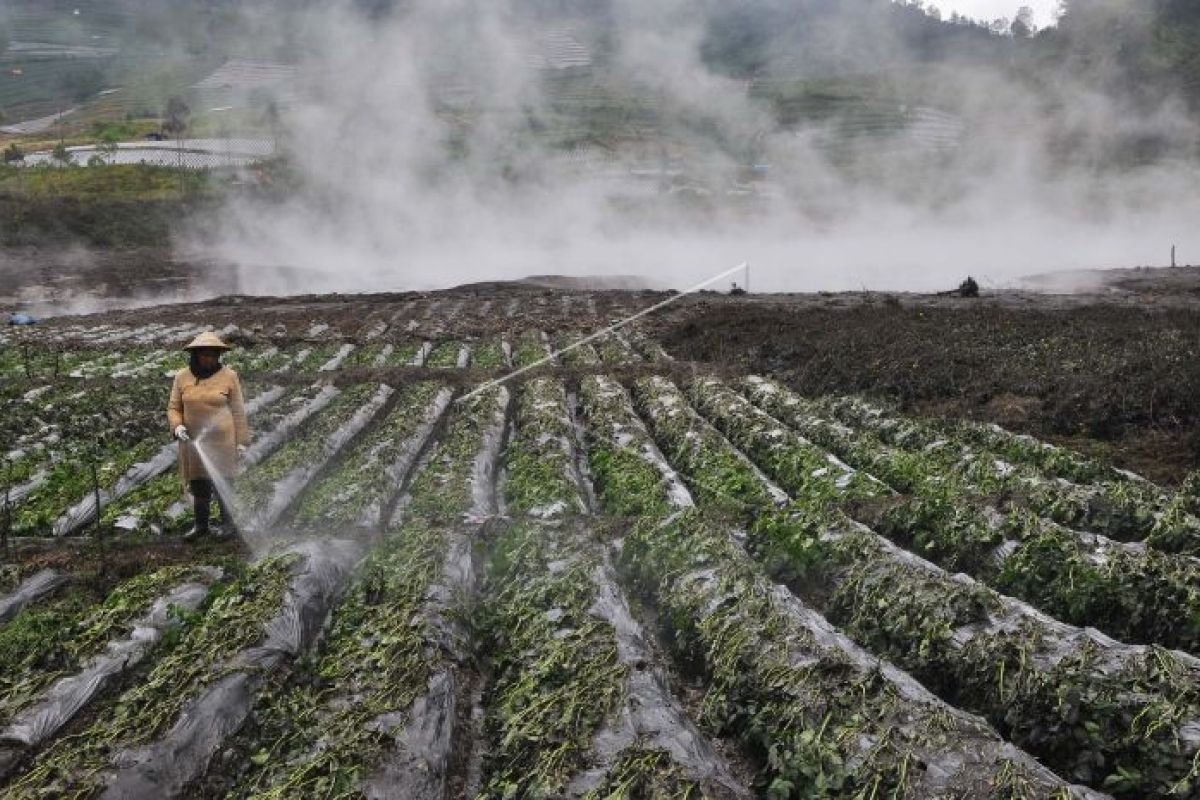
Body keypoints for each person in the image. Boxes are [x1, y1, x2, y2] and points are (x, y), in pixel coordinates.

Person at [167, 332, 250, 538]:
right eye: (205, 355)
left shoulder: (229, 376)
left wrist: (241, 443)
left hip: (222, 443)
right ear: (195, 355)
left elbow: (238, 411)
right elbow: (173, 407)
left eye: (213, 355)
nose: (209, 359)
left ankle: (228, 525)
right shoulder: (182, 377)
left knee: (223, 484)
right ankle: (200, 526)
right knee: (199, 484)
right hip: (193, 443)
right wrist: (177, 426)